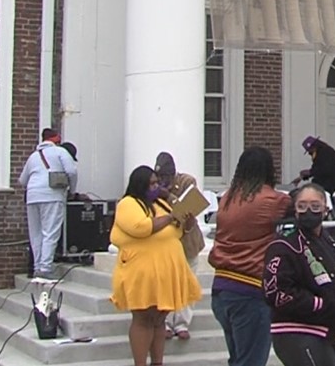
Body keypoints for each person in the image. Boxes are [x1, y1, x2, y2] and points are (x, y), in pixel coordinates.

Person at [109, 165, 202, 366]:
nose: (156, 186)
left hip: (167, 271)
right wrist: (170, 217)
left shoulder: (162, 203)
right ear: (140, 184)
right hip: (141, 272)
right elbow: (141, 228)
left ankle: (157, 362)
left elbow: (179, 231)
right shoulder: (128, 203)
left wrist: (186, 219)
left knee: (159, 320)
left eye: (156, 182)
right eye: (151, 183)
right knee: (143, 319)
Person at [209, 146, 292, 366]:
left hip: (221, 288)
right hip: (250, 288)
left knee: (238, 358)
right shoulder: (273, 200)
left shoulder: (227, 198)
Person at [263, 183, 335, 366]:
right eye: (302, 206)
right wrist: (319, 303)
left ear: (326, 210)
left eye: (315, 206)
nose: (308, 211)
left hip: (330, 332)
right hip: (298, 331)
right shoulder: (284, 245)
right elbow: (275, 292)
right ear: (295, 210)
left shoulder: (327, 241)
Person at [154, 151, 205, 340]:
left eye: (165, 176)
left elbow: (187, 211)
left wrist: (168, 196)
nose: (162, 180)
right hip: (165, 243)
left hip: (188, 241)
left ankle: (182, 323)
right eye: (159, 177)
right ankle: (165, 322)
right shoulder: (153, 184)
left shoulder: (187, 181)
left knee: (187, 283)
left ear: (173, 173)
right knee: (166, 284)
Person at [18, 127, 78, 279]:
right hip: (52, 194)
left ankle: (37, 265)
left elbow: (22, 180)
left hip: (32, 196)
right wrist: (72, 190)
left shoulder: (33, 156)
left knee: (36, 233)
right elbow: (71, 171)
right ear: (56, 138)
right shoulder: (60, 152)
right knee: (50, 232)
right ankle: (45, 267)